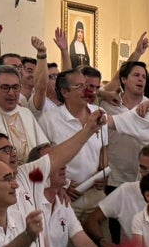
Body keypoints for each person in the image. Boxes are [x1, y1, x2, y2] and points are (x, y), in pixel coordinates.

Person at [40, 69, 109, 214]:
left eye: (86, 85)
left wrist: (103, 172)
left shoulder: (99, 113)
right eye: (79, 87)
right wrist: (63, 185)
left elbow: (104, 148)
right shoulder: (49, 120)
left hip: (96, 195)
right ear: (65, 92)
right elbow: (45, 159)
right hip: (66, 197)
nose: (86, 90)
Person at [0, 65, 48, 162]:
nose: (11, 93)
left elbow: (43, 149)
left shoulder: (25, 113)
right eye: (5, 87)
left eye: (15, 87)